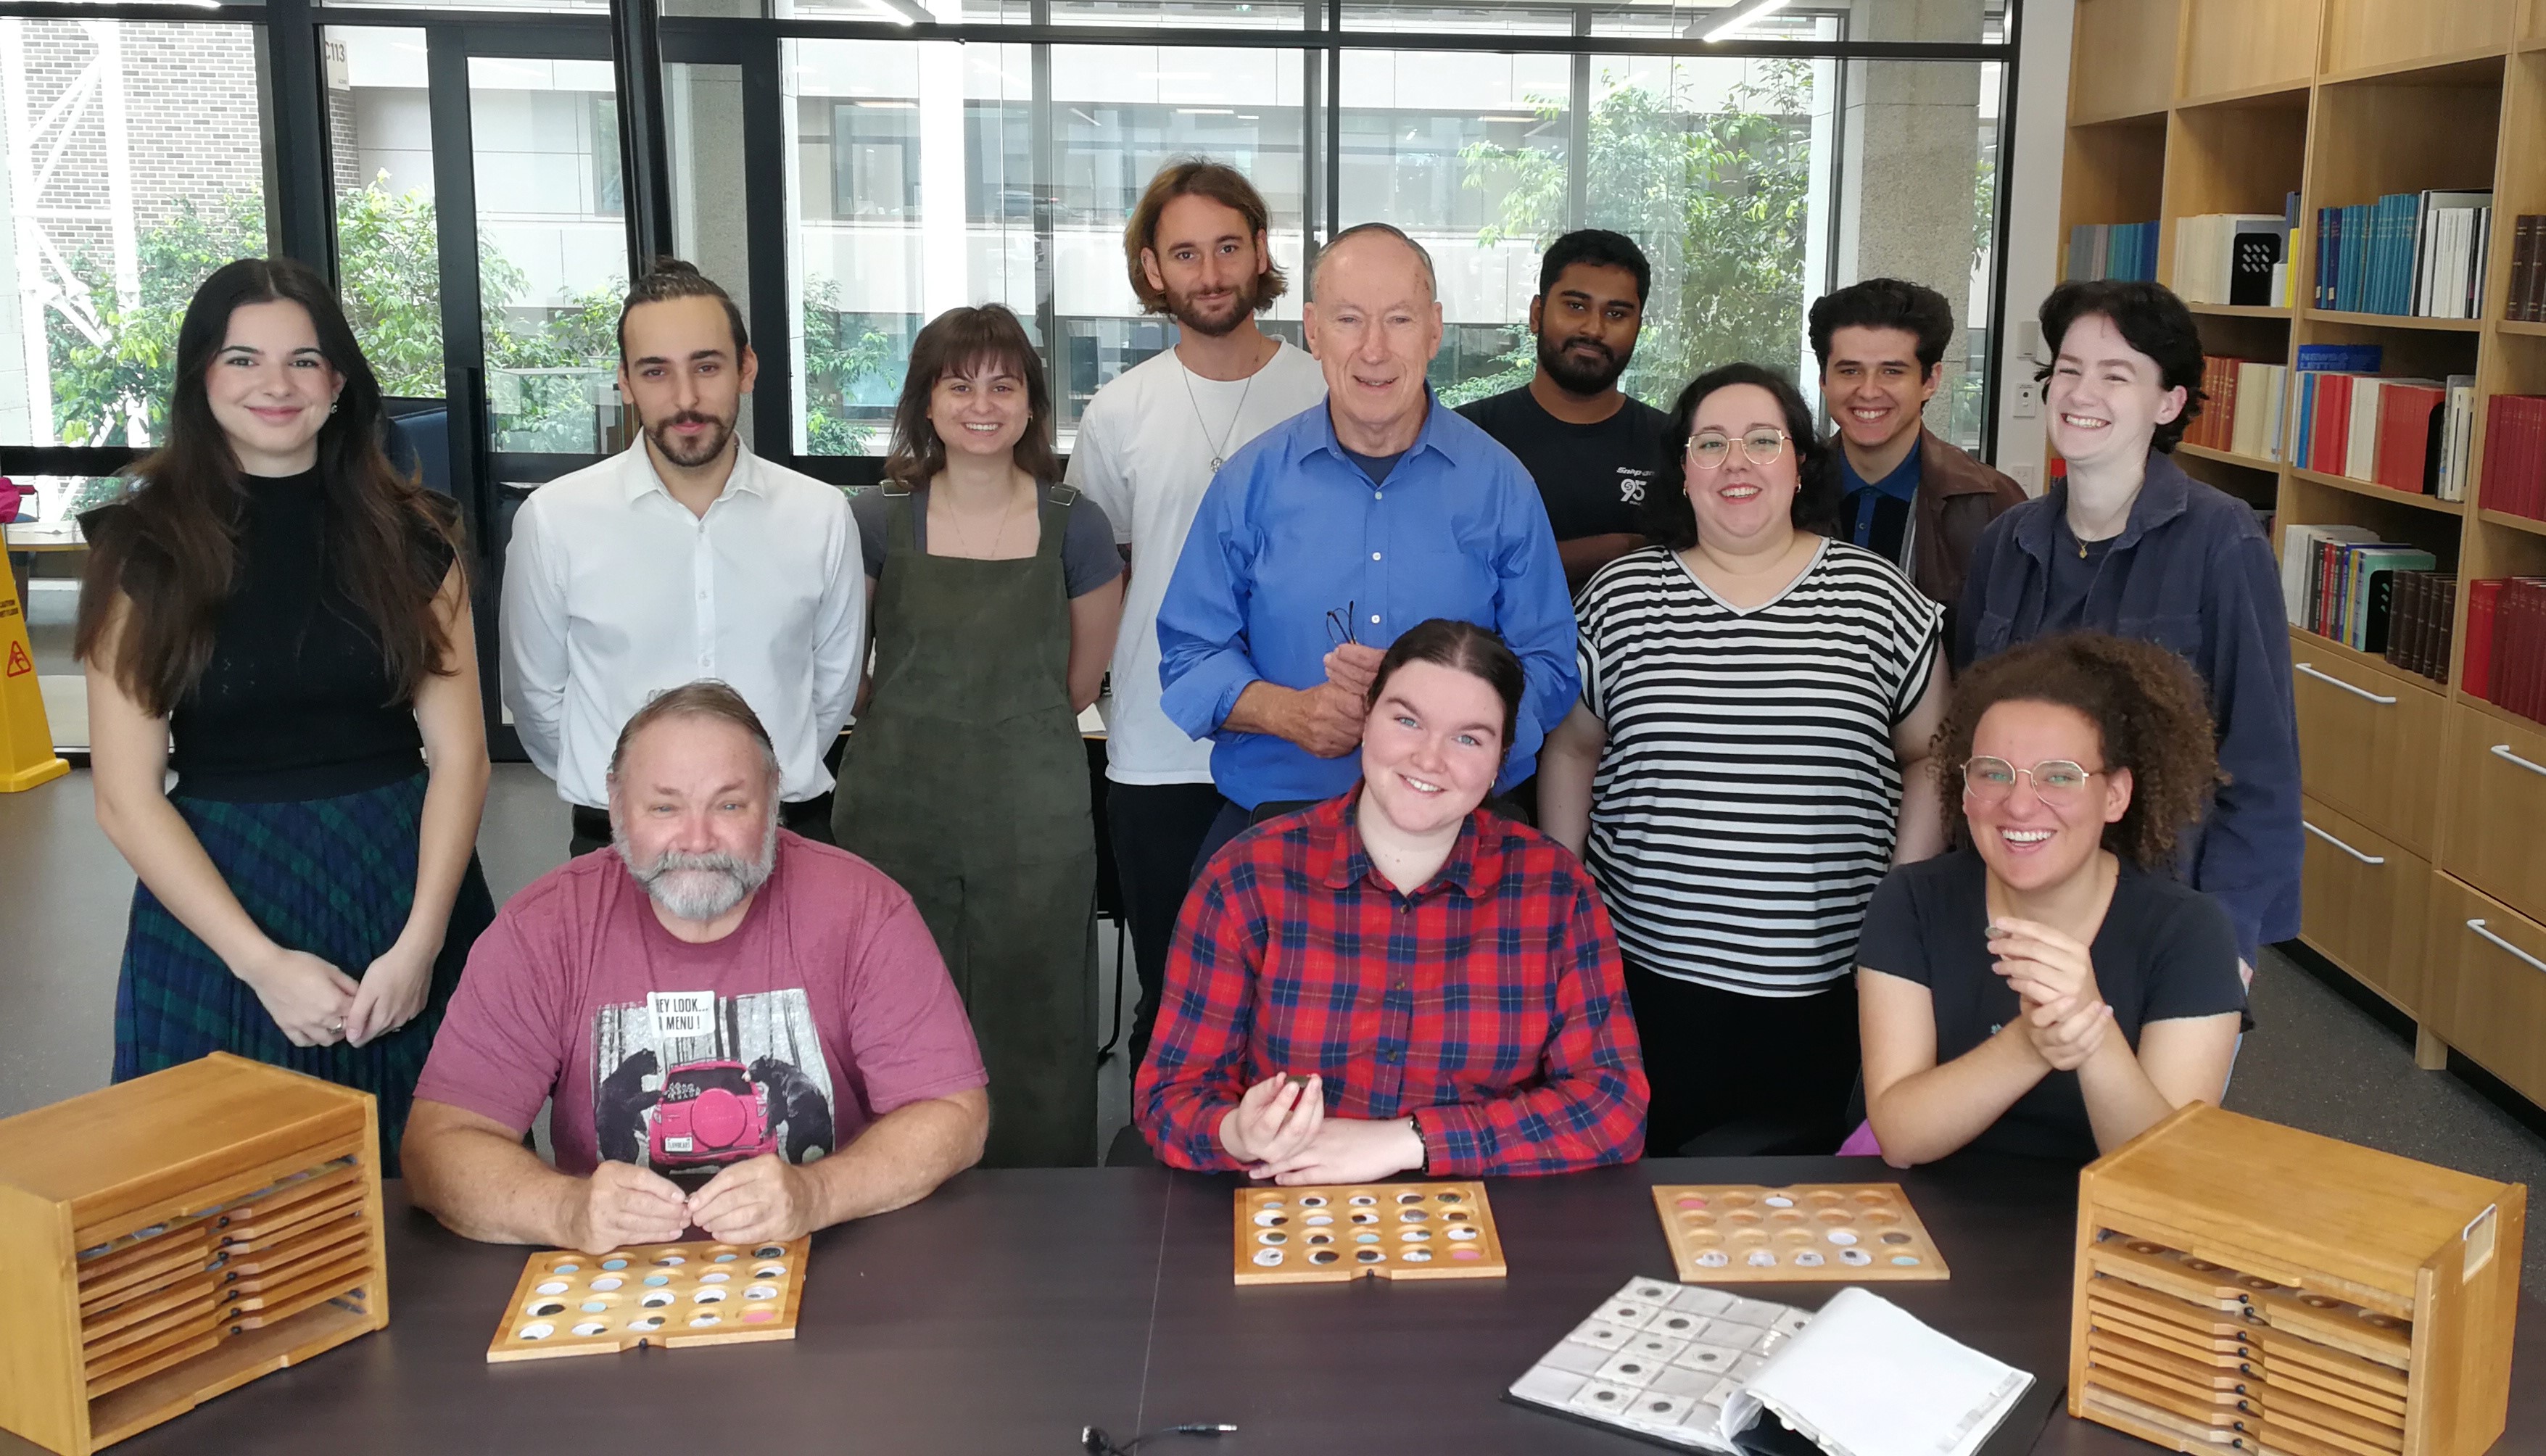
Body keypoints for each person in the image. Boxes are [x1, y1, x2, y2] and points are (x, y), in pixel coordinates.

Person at [75, 257, 494, 1172]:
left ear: (339, 384)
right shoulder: (139, 551)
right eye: (243, 359)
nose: (276, 384)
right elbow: (125, 795)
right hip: (223, 903)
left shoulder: (416, 536)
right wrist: (261, 964)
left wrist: (420, 946)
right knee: (218, 1197)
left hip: (399, 884)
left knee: (439, 1182)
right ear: (200, 378)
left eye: (305, 361)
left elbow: (461, 758)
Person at [406, 684, 989, 1252]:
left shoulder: (865, 909)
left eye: (729, 805)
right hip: (614, 1279)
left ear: (774, 798)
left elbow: (953, 1115)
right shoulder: (542, 928)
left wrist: (818, 1193)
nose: (696, 838)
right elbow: (439, 1147)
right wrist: (565, 1211)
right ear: (614, 805)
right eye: (664, 807)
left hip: (836, 1257)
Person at [1538, 363, 1949, 1159]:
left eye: (1764, 441)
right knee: (1648, 1193)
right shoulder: (1621, 596)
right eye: (1711, 443)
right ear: (1682, 470)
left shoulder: (1878, 597)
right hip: (1649, 971)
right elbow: (1573, 746)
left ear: (1800, 463)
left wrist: (1898, 908)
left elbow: (1931, 756)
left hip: (1831, 974)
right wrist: (1567, 896)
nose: (1737, 462)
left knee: (1801, 1211)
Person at [1137, 620, 1647, 1180]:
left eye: (1468, 738)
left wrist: (1408, 1143)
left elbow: (1611, 1107)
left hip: (1483, 1227)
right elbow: (1168, 1099)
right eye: (1407, 721)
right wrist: (1235, 1131)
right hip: (1285, 1213)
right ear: (1366, 720)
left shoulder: (1555, 892)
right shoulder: (1246, 877)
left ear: (1500, 757)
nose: (1429, 759)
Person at [1156, 223, 1577, 872]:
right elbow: (1188, 655)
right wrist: (1288, 712)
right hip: (1277, 832)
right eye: (1349, 319)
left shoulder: (1501, 487)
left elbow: (1549, 669)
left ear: (1434, 330)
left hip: (1460, 835)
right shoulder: (1249, 484)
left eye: (1399, 320)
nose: (1374, 350)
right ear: (1313, 331)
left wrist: (1440, 725)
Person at [832, 303, 1125, 1169]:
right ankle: (886, 1178)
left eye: (1003, 384)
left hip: (1034, 816)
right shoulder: (877, 521)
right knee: (891, 1004)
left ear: (1032, 402)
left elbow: (1078, 683)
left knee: (1035, 1017)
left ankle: (1040, 1200)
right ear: (926, 402)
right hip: (895, 810)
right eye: (958, 384)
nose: (981, 403)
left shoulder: (1078, 525)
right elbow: (850, 668)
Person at [1957, 280, 2299, 974]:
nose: (2082, 394)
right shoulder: (2006, 540)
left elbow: (2259, 759)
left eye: (2117, 376)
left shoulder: (2221, 539)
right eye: (2069, 370)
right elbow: (1968, 739)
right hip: (2012, 901)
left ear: (2167, 402)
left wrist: (2225, 943)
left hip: (2163, 905)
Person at [1067, 160, 1326, 1075]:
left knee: (1296, 1012)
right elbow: (1102, 572)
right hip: (1156, 745)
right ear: (1151, 270)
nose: (1210, 272)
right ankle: (1164, 1209)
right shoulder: (1117, 411)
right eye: (1185, 253)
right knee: (1172, 1002)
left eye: (1228, 246)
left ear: (1261, 253)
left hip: (1305, 746)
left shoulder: (1326, 392)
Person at [503, 259, 864, 859]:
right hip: (618, 841)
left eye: (706, 366)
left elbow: (831, 689)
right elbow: (538, 699)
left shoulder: (820, 515)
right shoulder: (555, 519)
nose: (686, 398)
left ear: (746, 368)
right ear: (625, 382)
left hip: (786, 834)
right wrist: (622, 792)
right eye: (656, 372)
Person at [1856, 633, 2245, 1165]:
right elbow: (1900, 1140)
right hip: (1918, 1221)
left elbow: (2166, 1171)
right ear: (1965, 790)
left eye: (2058, 778)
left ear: (2114, 795)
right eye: (1992, 773)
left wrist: (2088, 1027)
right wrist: (2027, 1045)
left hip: (2101, 1228)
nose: (2018, 806)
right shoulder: (1910, 901)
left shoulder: (2188, 932)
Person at [1457, 229, 1669, 595]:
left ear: (1638, 328)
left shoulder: (1673, 444)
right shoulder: (1466, 437)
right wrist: (1621, 551)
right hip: (1493, 652)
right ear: (1537, 315)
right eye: (1575, 306)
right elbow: (1449, 567)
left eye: (1616, 313)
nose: (1594, 328)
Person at [1809, 278, 2026, 615]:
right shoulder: (1787, 490)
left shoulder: (1993, 504)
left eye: (1892, 372)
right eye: (1850, 371)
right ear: (1824, 380)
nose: (1868, 391)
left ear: (1931, 381)